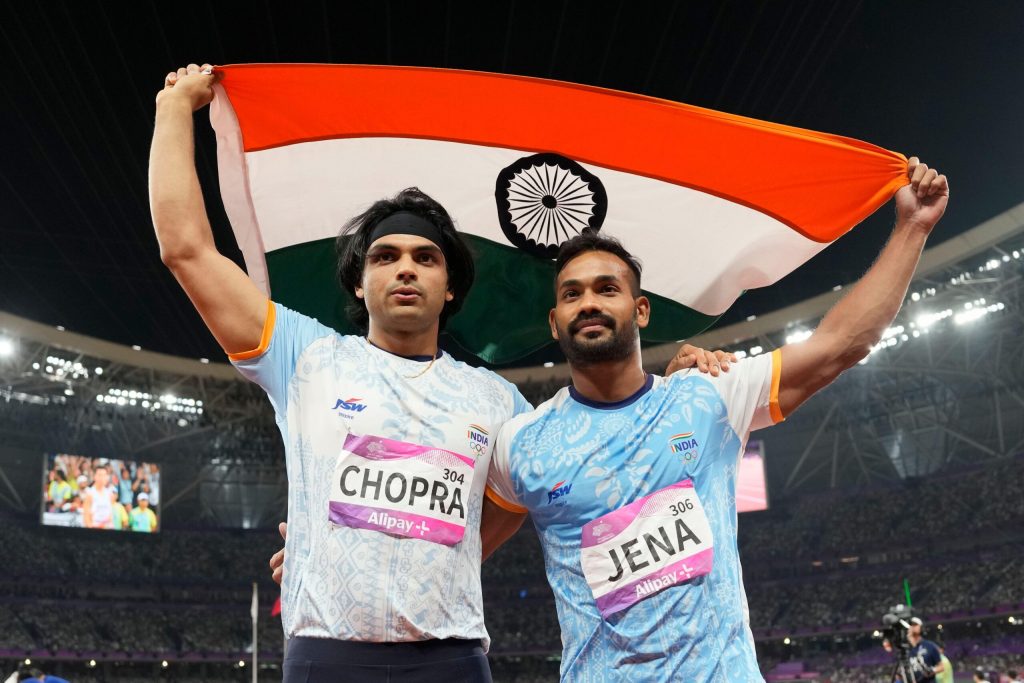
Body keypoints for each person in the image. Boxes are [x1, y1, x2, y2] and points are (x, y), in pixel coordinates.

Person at [152, 62, 726, 683]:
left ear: (449, 287)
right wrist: (175, 106)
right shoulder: (306, 358)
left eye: (425, 258)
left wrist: (678, 385)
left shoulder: (498, 401)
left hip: (450, 659)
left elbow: (587, 456)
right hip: (327, 655)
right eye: (385, 256)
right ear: (359, 281)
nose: (405, 268)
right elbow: (186, 249)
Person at [483, 158, 949, 681]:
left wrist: (913, 227)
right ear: (555, 321)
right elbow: (459, 555)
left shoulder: (708, 398)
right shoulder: (522, 443)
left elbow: (840, 344)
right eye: (572, 294)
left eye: (606, 289)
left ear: (641, 311)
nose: (589, 303)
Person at [904, 617, 944, 682]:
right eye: (910, 625)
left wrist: (932, 670)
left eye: (915, 625)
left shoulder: (930, 646)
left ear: (921, 628)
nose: (912, 627)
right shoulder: (905, 649)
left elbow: (941, 667)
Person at [82, 463, 117, 530]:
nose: (102, 478)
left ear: (107, 476)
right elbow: (86, 518)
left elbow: (110, 515)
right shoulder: (90, 494)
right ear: (94, 476)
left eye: (104, 475)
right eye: (99, 475)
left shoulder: (109, 493)